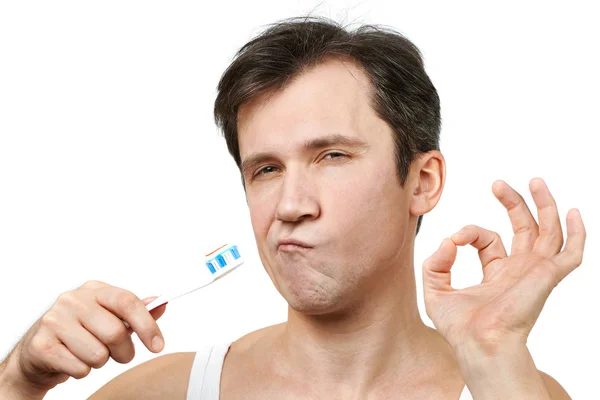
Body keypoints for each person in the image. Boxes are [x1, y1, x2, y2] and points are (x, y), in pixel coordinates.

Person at [0, 16, 586, 400]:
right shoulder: (163, 393)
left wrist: (494, 359)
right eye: (266, 169)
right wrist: (19, 381)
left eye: (332, 155)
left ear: (423, 181)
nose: (289, 205)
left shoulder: (509, 387)